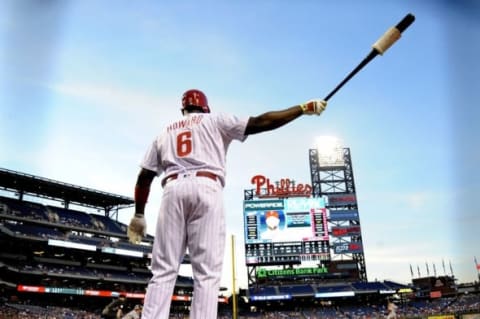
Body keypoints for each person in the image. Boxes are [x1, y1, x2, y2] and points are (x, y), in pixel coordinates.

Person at [127, 89, 327, 318]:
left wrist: (139, 214)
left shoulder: (164, 133)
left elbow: (144, 176)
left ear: (183, 109)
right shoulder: (215, 120)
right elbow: (262, 122)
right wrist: (301, 109)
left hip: (172, 189)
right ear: (205, 107)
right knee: (206, 274)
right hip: (207, 186)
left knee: (162, 272)